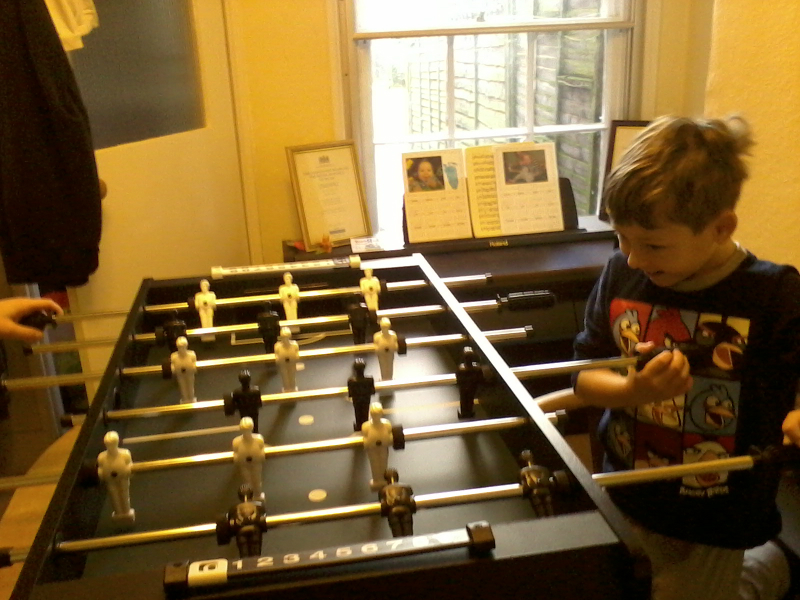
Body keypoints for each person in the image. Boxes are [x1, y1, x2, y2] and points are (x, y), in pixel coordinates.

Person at [569, 114, 800, 600]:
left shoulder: (774, 293)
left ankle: (769, 569)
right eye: (622, 237)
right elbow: (585, 379)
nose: (632, 256)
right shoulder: (621, 273)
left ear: (721, 227)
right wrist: (635, 391)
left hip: (718, 508)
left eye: (652, 244)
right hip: (625, 485)